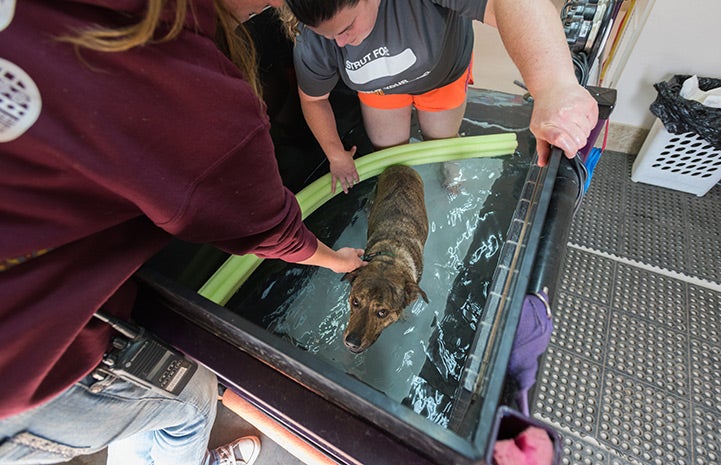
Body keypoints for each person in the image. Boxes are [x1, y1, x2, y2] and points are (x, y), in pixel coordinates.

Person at [0, 1, 365, 464]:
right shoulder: (201, 99)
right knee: (193, 397)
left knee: (149, 392)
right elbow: (269, 230)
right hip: (17, 369)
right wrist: (339, 260)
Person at [282, 0, 600, 193]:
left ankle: (449, 166)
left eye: (346, 27)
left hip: (443, 74)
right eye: (326, 35)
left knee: (441, 142)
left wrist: (552, 86)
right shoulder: (311, 40)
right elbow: (313, 99)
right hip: (378, 88)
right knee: (391, 158)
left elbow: (509, 5)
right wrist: (336, 154)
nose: (339, 44)